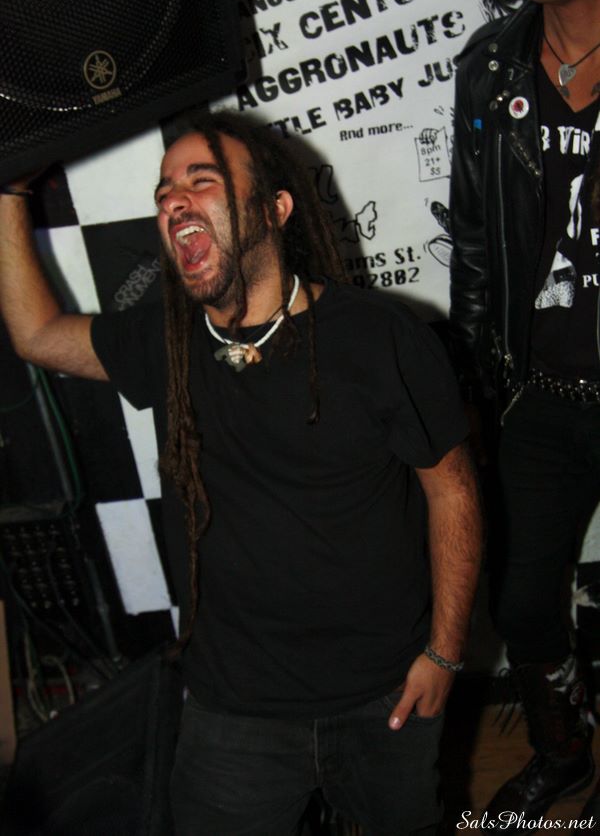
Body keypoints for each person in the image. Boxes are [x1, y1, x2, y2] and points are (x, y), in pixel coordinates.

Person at [0, 111, 482, 836]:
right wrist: (9, 195)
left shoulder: (379, 336)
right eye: (164, 192)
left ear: (275, 209)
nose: (174, 202)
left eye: (202, 181)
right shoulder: (168, 340)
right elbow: (38, 334)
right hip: (234, 713)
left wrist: (445, 653)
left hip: (385, 694)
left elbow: (454, 493)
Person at [449, 0, 600, 826]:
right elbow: (475, 244)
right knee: (520, 603)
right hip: (537, 394)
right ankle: (563, 752)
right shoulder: (489, 70)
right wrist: (476, 395)